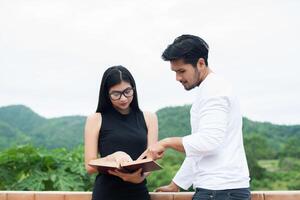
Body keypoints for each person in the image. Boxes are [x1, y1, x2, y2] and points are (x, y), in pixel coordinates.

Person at [139, 35, 251, 200]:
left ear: (201, 63)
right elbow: (200, 150)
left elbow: (209, 141)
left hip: (220, 192)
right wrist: (176, 184)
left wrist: (166, 142)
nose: (177, 78)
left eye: (181, 71)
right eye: (175, 72)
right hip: (218, 191)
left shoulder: (214, 91)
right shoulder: (210, 89)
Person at [84, 65, 158, 200]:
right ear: (107, 94)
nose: (123, 98)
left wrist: (139, 177)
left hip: (138, 192)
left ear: (133, 88)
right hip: (106, 194)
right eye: (116, 94)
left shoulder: (149, 118)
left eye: (127, 91)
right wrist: (114, 156)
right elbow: (89, 166)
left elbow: (150, 160)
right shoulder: (96, 119)